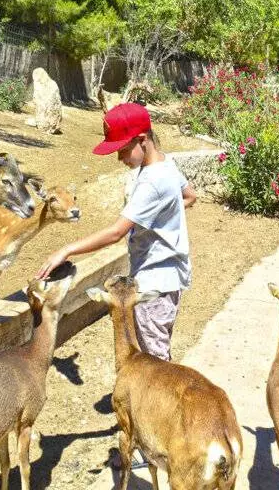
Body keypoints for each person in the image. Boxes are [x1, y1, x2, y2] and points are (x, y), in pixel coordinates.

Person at [36, 103, 196, 362]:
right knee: (157, 354)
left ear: (142, 140)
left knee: (154, 365)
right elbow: (189, 196)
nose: (119, 158)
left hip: (154, 283)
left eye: (123, 150)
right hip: (170, 278)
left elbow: (115, 233)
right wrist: (158, 218)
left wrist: (66, 250)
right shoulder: (166, 164)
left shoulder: (152, 182)